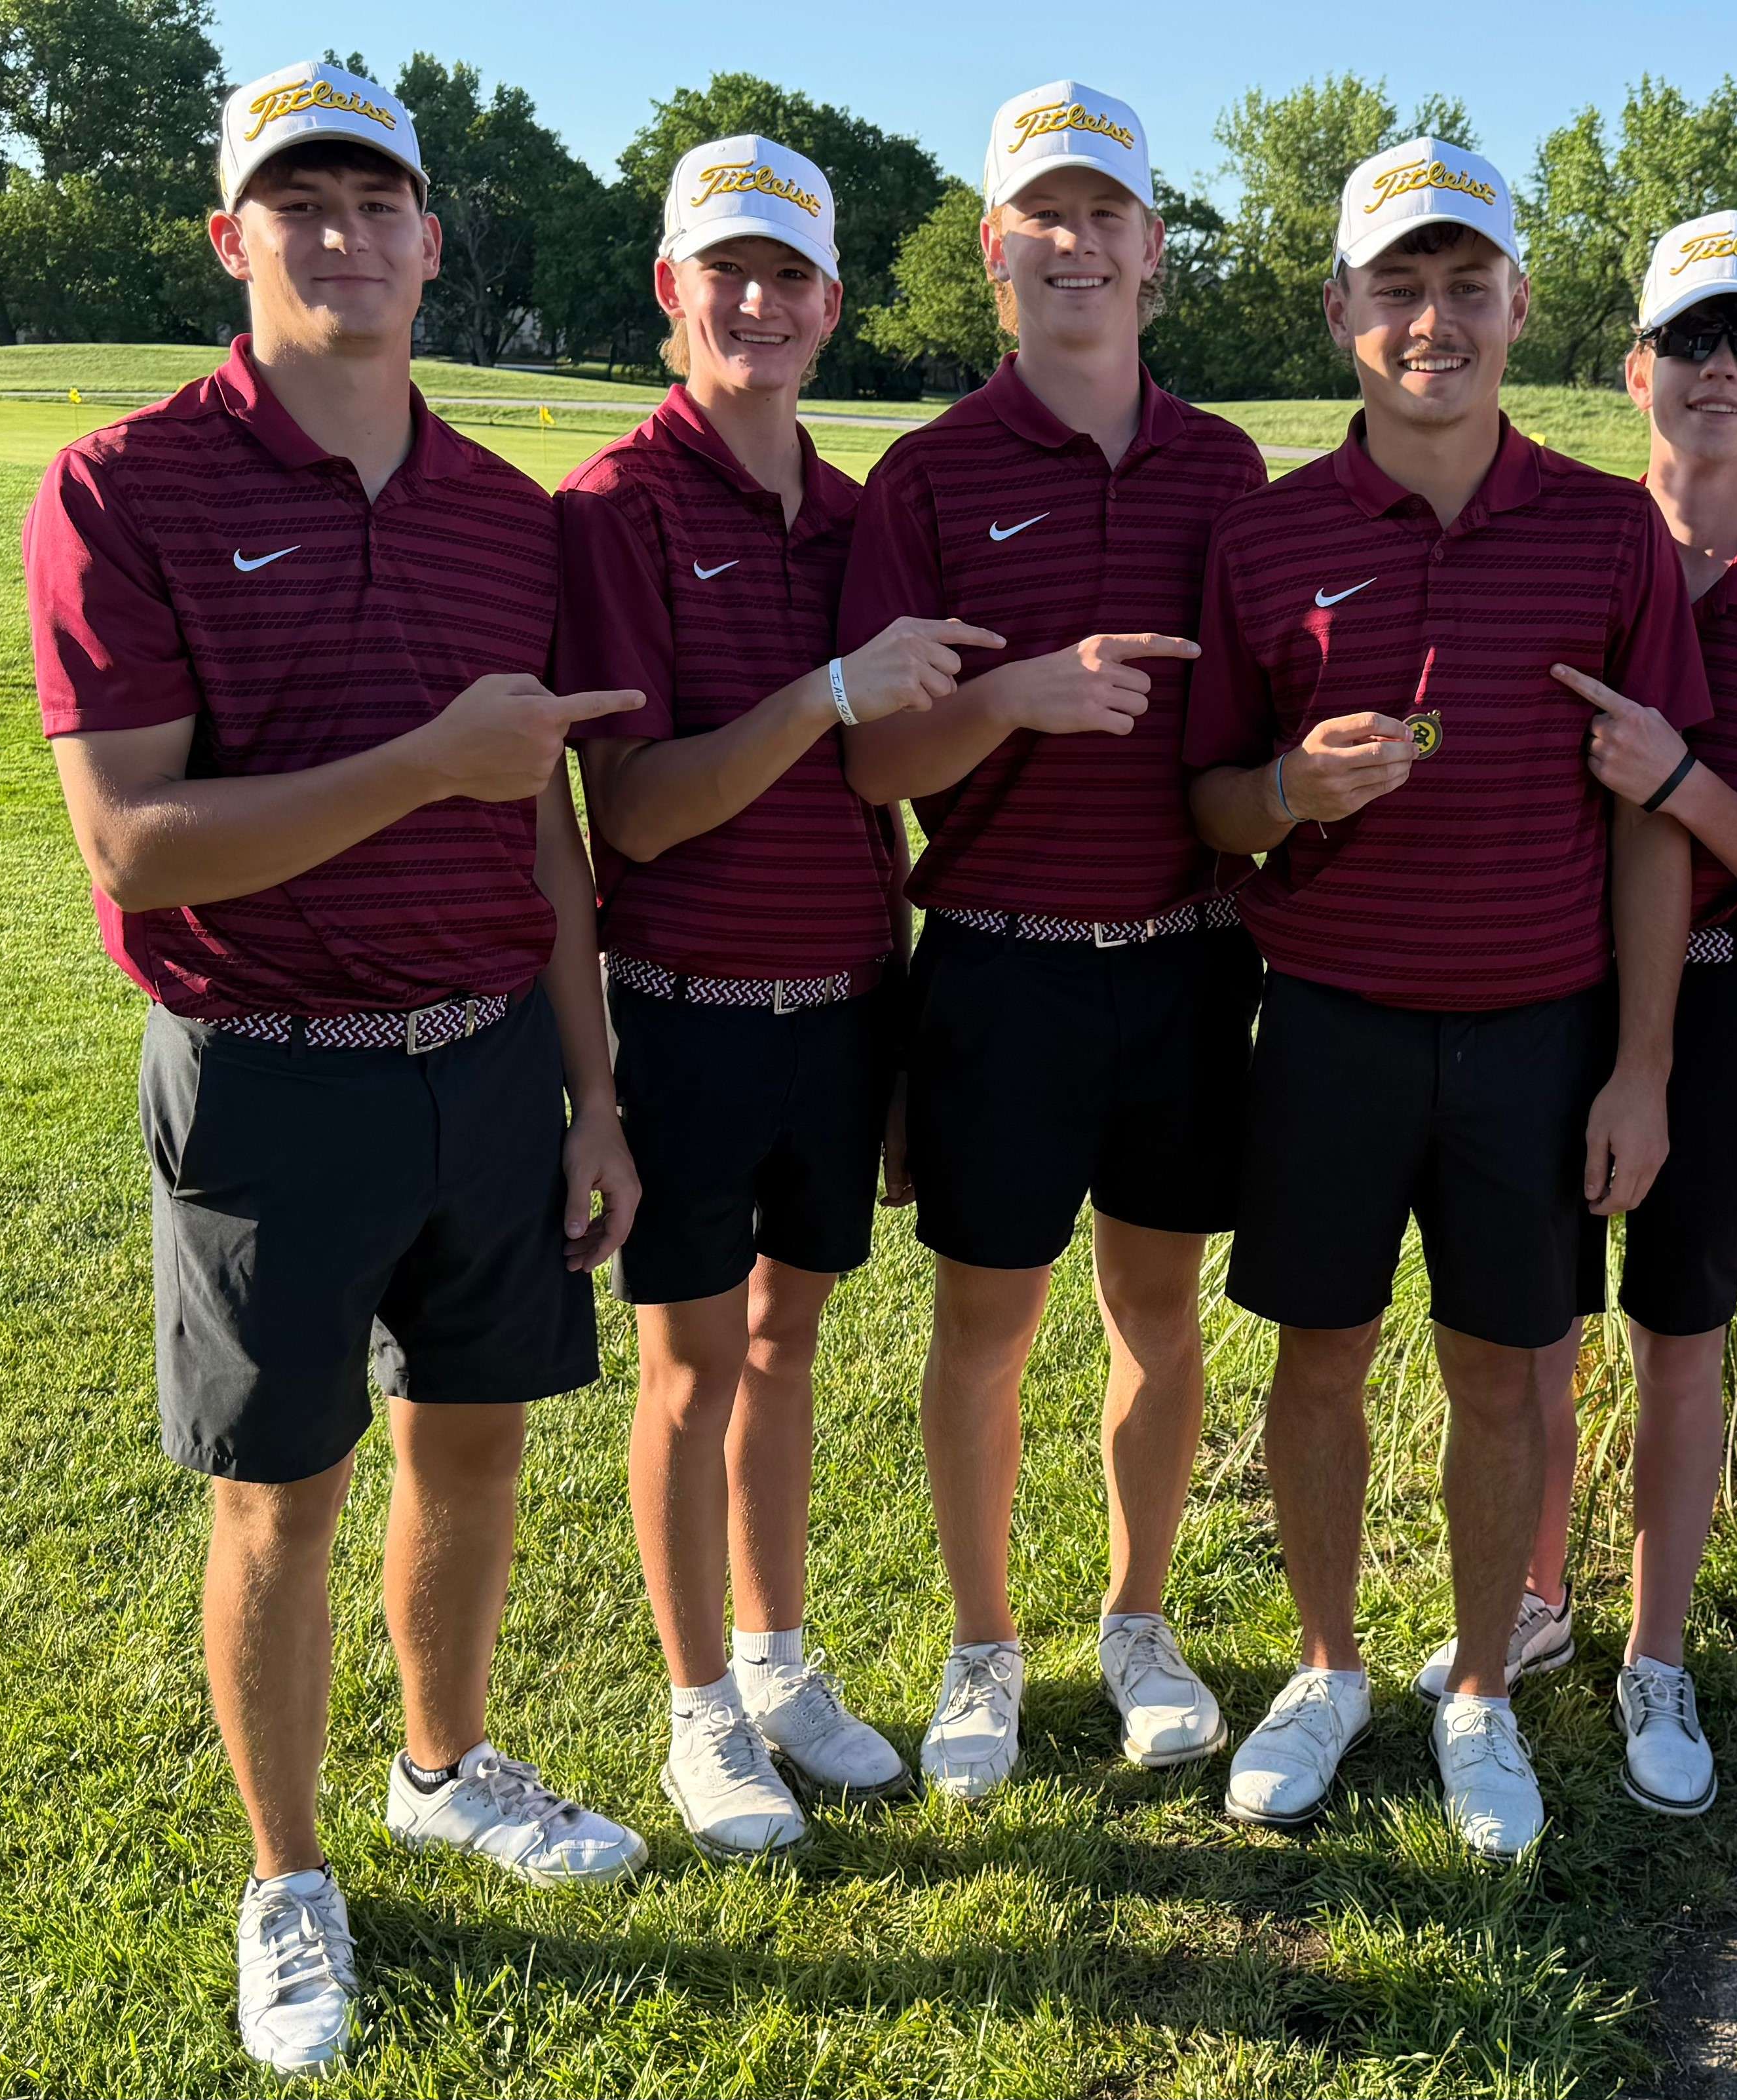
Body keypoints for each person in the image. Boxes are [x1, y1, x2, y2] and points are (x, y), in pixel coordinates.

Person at [22, 60, 651, 2076]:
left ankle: (445, 1760)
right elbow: (135, 840)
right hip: (267, 1074)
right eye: (298, 201)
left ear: (431, 239)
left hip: (485, 1066)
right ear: (233, 238)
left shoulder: (501, 511)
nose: (344, 234)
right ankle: (289, 1875)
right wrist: (425, 765)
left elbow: (542, 827)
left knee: (474, 1445)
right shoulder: (125, 485)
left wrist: (597, 1089)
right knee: (280, 1497)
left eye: (377, 199)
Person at [1183, 138, 1708, 1858]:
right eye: (1396, 288)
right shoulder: (1265, 537)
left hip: (1535, 1033)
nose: (1433, 321)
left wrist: (1639, 1064)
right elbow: (1208, 804)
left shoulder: (1604, 530)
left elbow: (1652, 825)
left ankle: (1477, 1685)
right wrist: (1288, 790)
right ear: (1341, 309)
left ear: (1518, 306)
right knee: (1318, 1355)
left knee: (1508, 1371)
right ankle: (1328, 1667)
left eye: (1464, 286)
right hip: (1329, 1020)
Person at [1429, 213, 1737, 1818]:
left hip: (1721, 1001)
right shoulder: (1565, 549)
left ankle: (1657, 1653)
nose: (1720, 371)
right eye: (1690, 344)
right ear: (1635, 368)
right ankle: (1536, 1602)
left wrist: (1684, 783)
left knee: (1678, 1338)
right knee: (1534, 1330)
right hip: (1535, 981)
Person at [556, 136, 1003, 1856]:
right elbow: (643, 809)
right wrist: (825, 687)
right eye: (722, 270)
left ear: (829, 305)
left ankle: (775, 1657)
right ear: (672, 290)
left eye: (789, 276)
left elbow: (897, 783)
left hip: (840, 999)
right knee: (687, 1366)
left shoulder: (862, 507)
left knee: (788, 1338)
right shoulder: (612, 508)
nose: (757, 302)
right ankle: (695, 1713)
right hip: (679, 1001)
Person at [835, 80, 1268, 1799]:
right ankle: (981, 1646)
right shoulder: (931, 477)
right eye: (1043, 218)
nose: (1077, 243)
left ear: (1152, 250)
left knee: (1160, 1310)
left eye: (1107, 216)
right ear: (995, 252)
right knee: (987, 1327)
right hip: (1003, 959)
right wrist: (1011, 697)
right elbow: (877, 760)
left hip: (1183, 954)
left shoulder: (1226, 469)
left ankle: (1139, 1619)